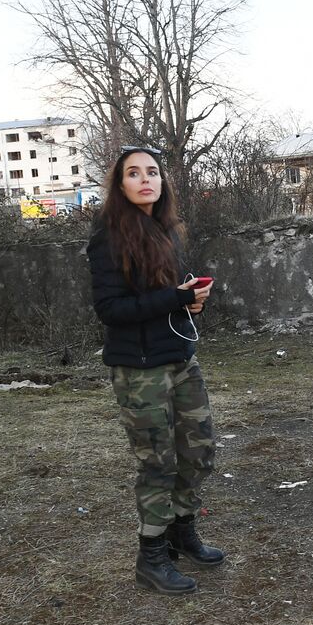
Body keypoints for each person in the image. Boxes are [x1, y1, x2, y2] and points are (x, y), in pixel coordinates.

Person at [87, 145, 224, 595]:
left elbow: (167, 300)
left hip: (181, 358)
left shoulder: (166, 231)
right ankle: (151, 555)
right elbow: (111, 310)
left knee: (200, 450)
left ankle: (182, 533)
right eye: (134, 173)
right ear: (120, 185)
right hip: (138, 369)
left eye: (153, 172)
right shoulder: (107, 237)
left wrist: (191, 303)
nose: (146, 179)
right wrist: (177, 298)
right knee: (157, 464)